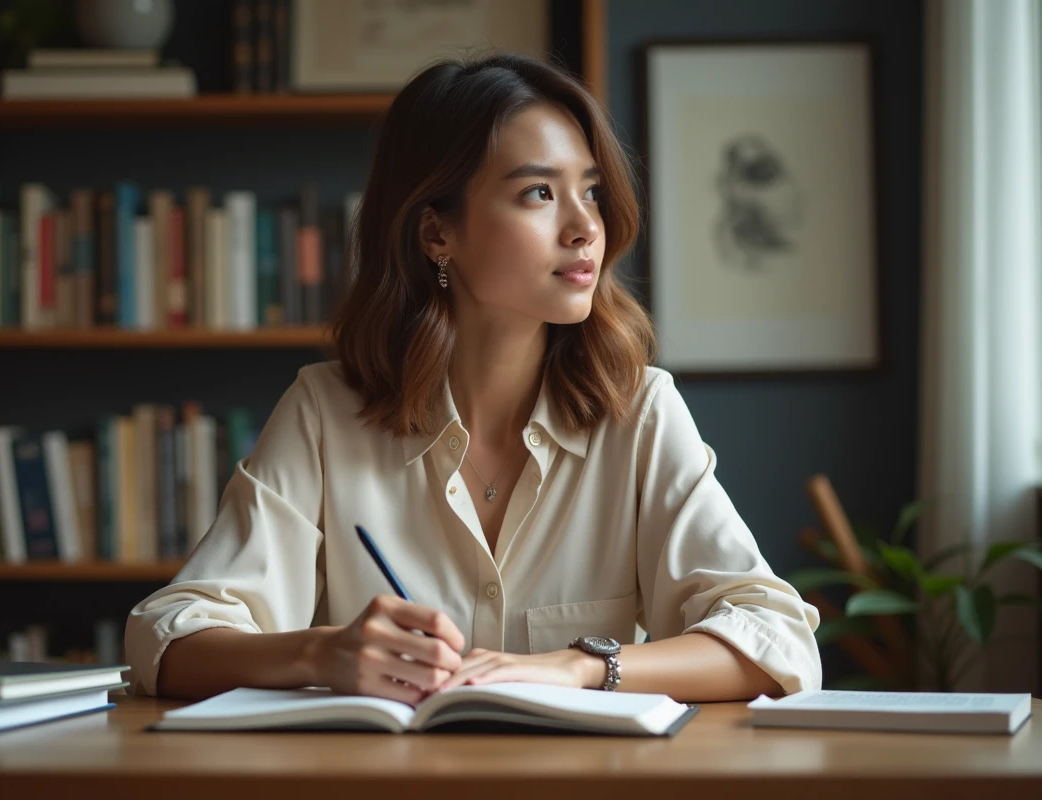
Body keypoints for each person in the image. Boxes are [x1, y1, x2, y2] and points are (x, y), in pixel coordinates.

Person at [124, 53, 822, 705]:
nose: (586, 226)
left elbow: (777, 639)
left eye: (591, 190)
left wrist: (581, 666)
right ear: (437, 234)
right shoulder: (325, 413)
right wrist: (322, 653)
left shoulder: (639, 412)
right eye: (539, 192)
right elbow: (168, 637)